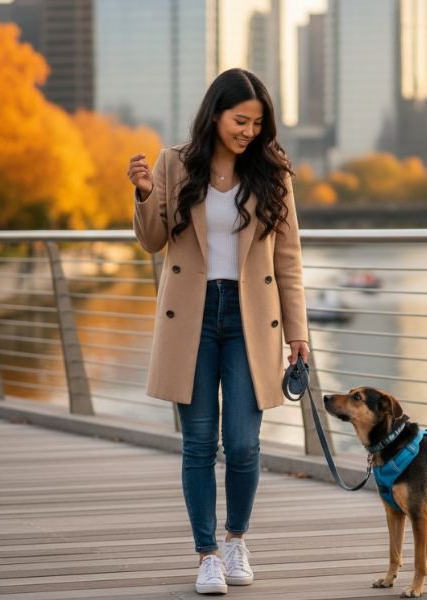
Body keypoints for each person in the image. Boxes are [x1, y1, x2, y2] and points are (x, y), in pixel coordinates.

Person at [127, 68, 309, 595]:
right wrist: (143, 195)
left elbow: (290, 261)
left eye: (257, 122)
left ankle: (236, 541)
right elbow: (152, 240)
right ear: (216, 114)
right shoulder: (174, 163)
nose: (248, 131)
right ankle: (206, 554)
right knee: (199, 443)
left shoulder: (274, 173)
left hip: (252, 317)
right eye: (240, 120)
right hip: (192, 317)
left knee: (245, 444)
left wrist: (298, 332)